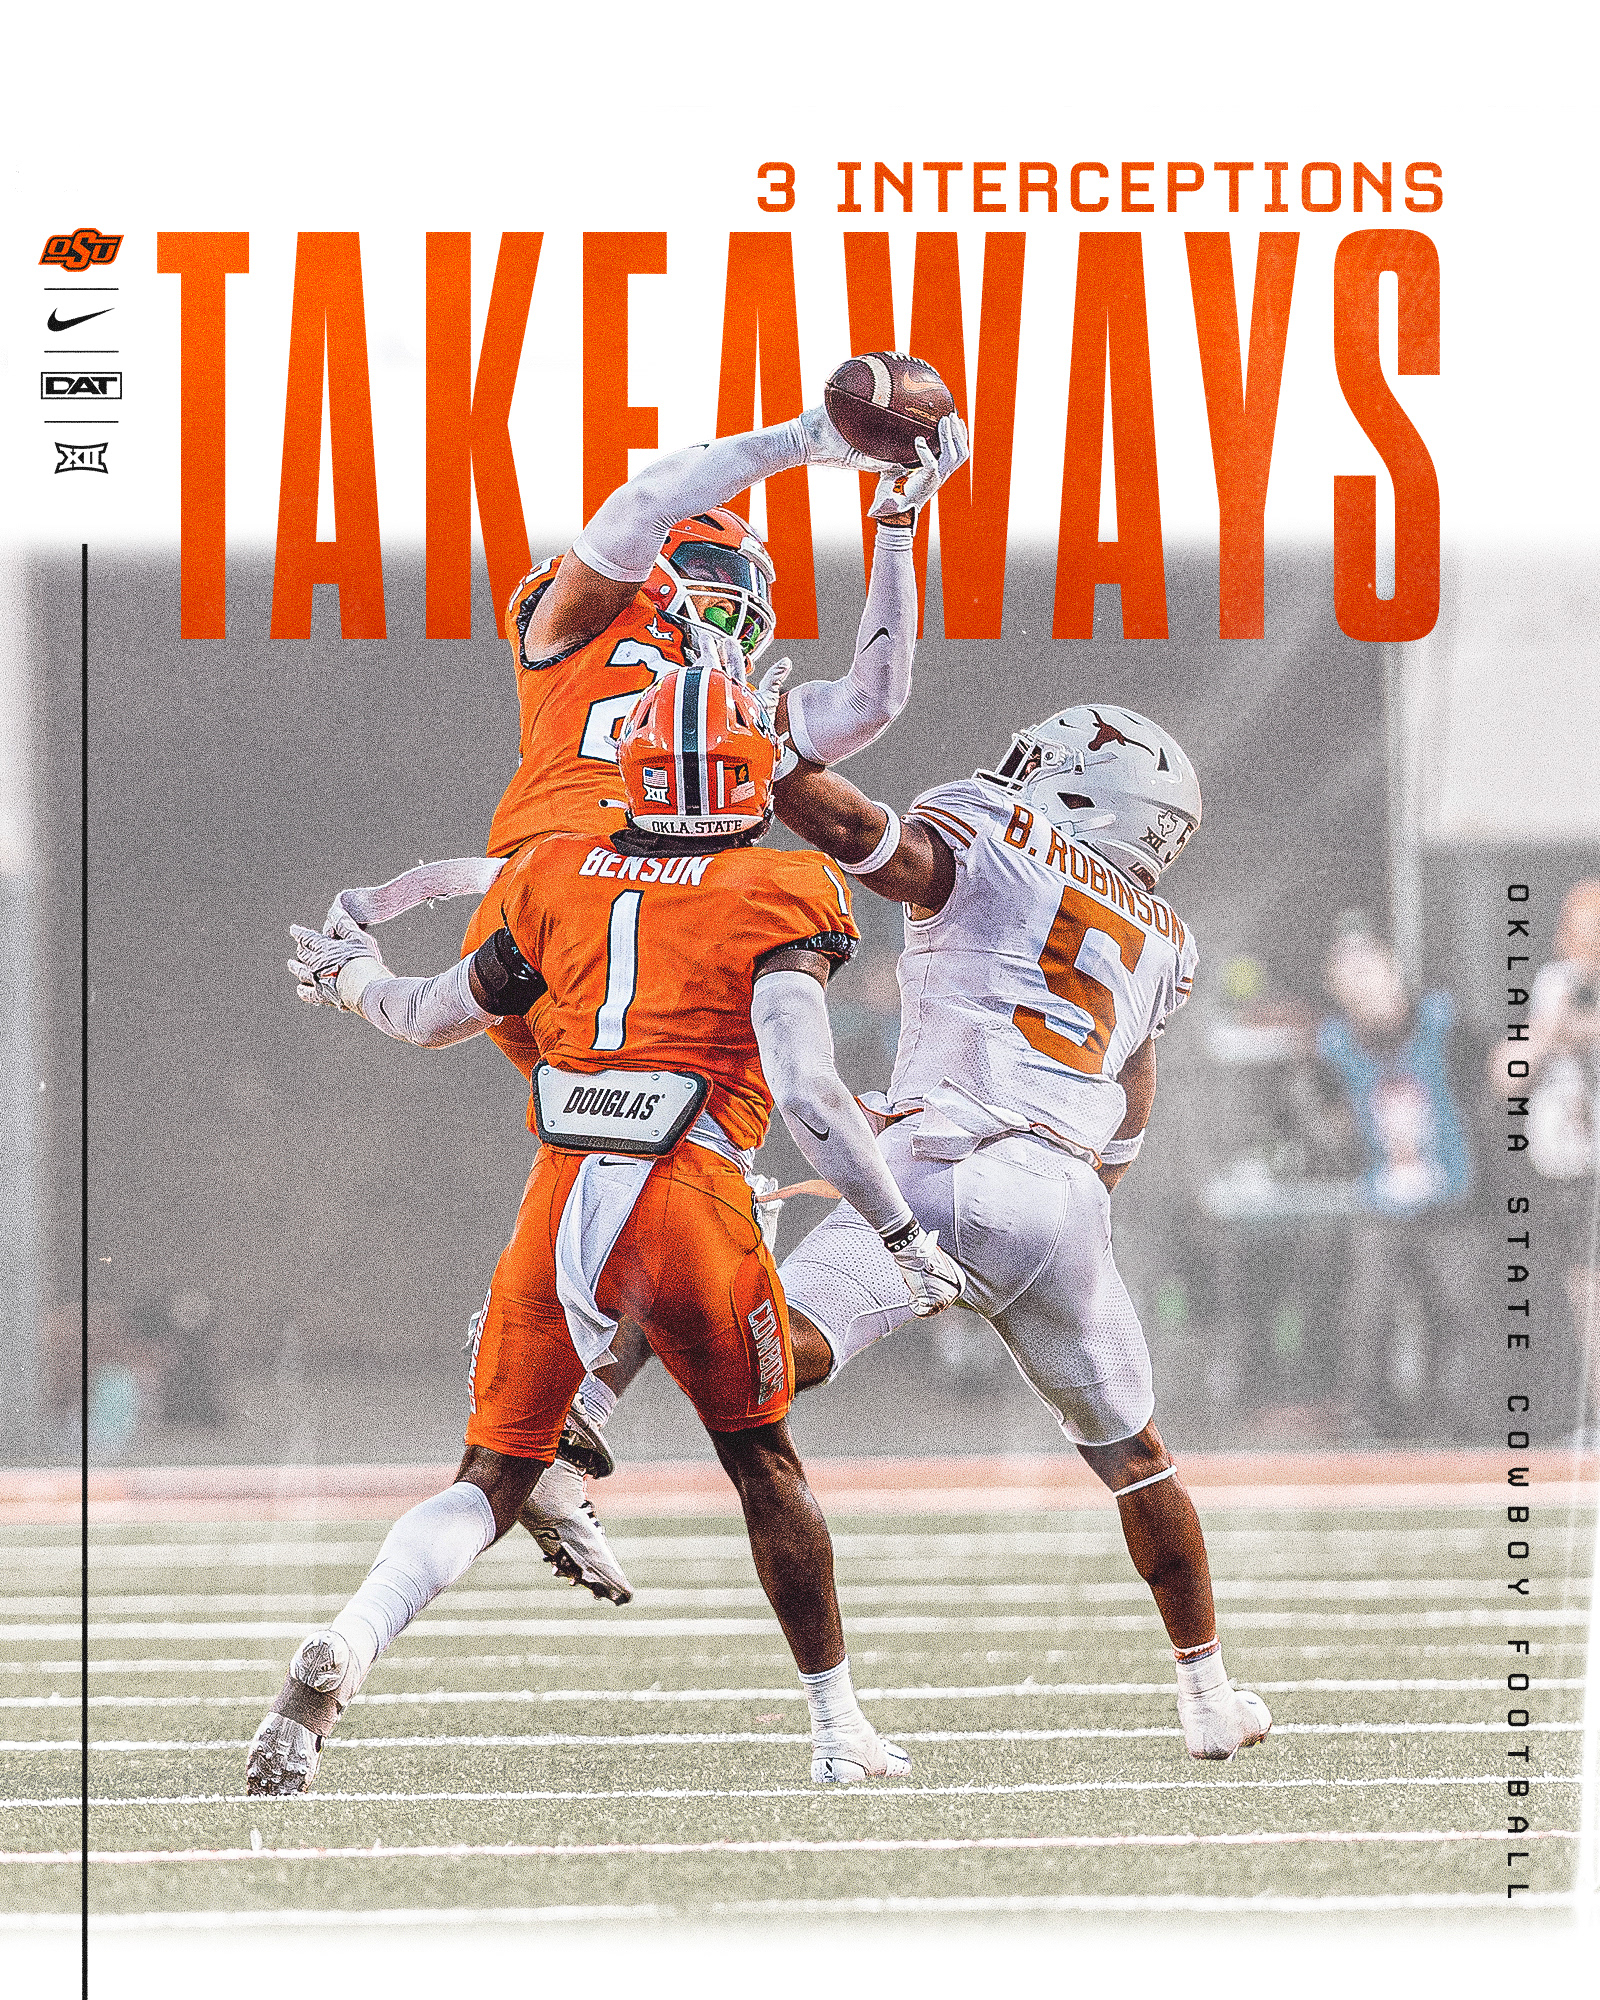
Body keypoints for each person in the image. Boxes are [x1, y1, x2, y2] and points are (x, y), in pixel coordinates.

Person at [250, 661, 966, 1798]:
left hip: (562, 1197)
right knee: (762, 1461)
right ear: (748, 776)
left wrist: (352, 979)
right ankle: (840, 1729)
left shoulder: (552, 872)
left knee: (491, 1474)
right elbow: (809, 1090)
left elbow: (427, 1015)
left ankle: (346, 1641)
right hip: (691, 1199)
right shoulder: (785, 883)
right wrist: (899, 1235)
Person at [421, 388, 968, 1598]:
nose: (731, 617)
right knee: (681, 1164)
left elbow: (871, 701)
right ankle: (552, 1365)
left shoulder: (713, 710)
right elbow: (645, 498)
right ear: (657, 575)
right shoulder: (580, 634)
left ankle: (557, 1399)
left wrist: (894, 527)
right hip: (585, 906)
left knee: (662, 1178)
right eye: (716, 589)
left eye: (741, 602)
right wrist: (811, 445)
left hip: (590, 920)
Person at [1315, 920, 1479, 1438]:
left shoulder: (1442, 1021)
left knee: (1458, 1308)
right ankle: (1369, 1419)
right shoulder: (1335, 1044)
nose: (1363, 986)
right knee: (1368, 1309)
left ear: (1392, 969)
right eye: (1350, 979)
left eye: (1370, 971)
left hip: (1450, 1193)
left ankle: (1453, 1419)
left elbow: (1485, 1079)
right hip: (1381, 1196)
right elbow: (1327, 1117)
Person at [1522, 879, 1600, 1437]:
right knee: (1581, 1296)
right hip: (1566, 1166)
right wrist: (1556, 1030)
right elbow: (1513, 1066)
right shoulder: (1556, 983)